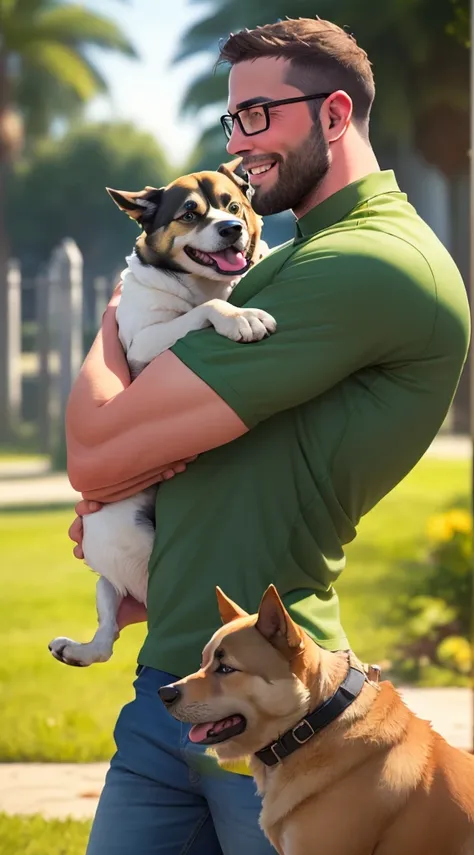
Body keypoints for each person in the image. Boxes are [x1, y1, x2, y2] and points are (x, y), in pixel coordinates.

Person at [66, 17, 470, 855]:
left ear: (331, 115)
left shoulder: (363, 264)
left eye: (258, 116)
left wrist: (116, 312)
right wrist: (143, 555)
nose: (239, 146)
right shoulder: (281, 258)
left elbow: (95, 451)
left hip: (282, 719)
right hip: (175, 687)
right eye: (231, 121)